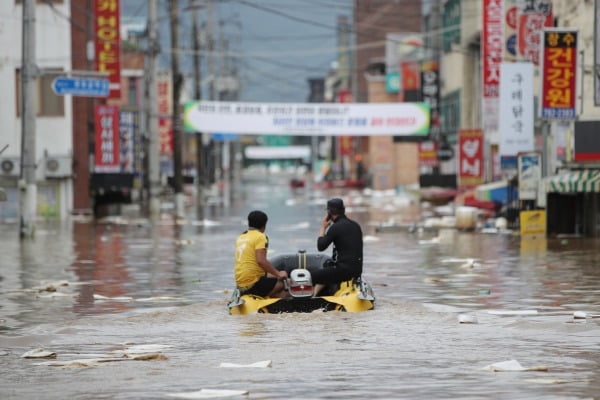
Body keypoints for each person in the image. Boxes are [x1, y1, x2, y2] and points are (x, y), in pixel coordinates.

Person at [312, 198, 363, 293]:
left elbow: (321, 246)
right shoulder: (355, 225)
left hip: (343, 272)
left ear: (329, 212)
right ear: (343, 209)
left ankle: (310, 299)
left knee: (310, 276)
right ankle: (317, 293)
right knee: (327, 267)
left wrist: (323, 227)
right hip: (357, 271)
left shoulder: (335, 228)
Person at [234, 210, 289, 298]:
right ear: (264, 225)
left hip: (240, 284)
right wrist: (279, 274)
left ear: (249, 223)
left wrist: (276, 273)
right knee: (289, 282)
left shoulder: (241, 237)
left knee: (276, 277)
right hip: (253, 284)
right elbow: (261, 261)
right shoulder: (260, 236)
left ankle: (271, 296)